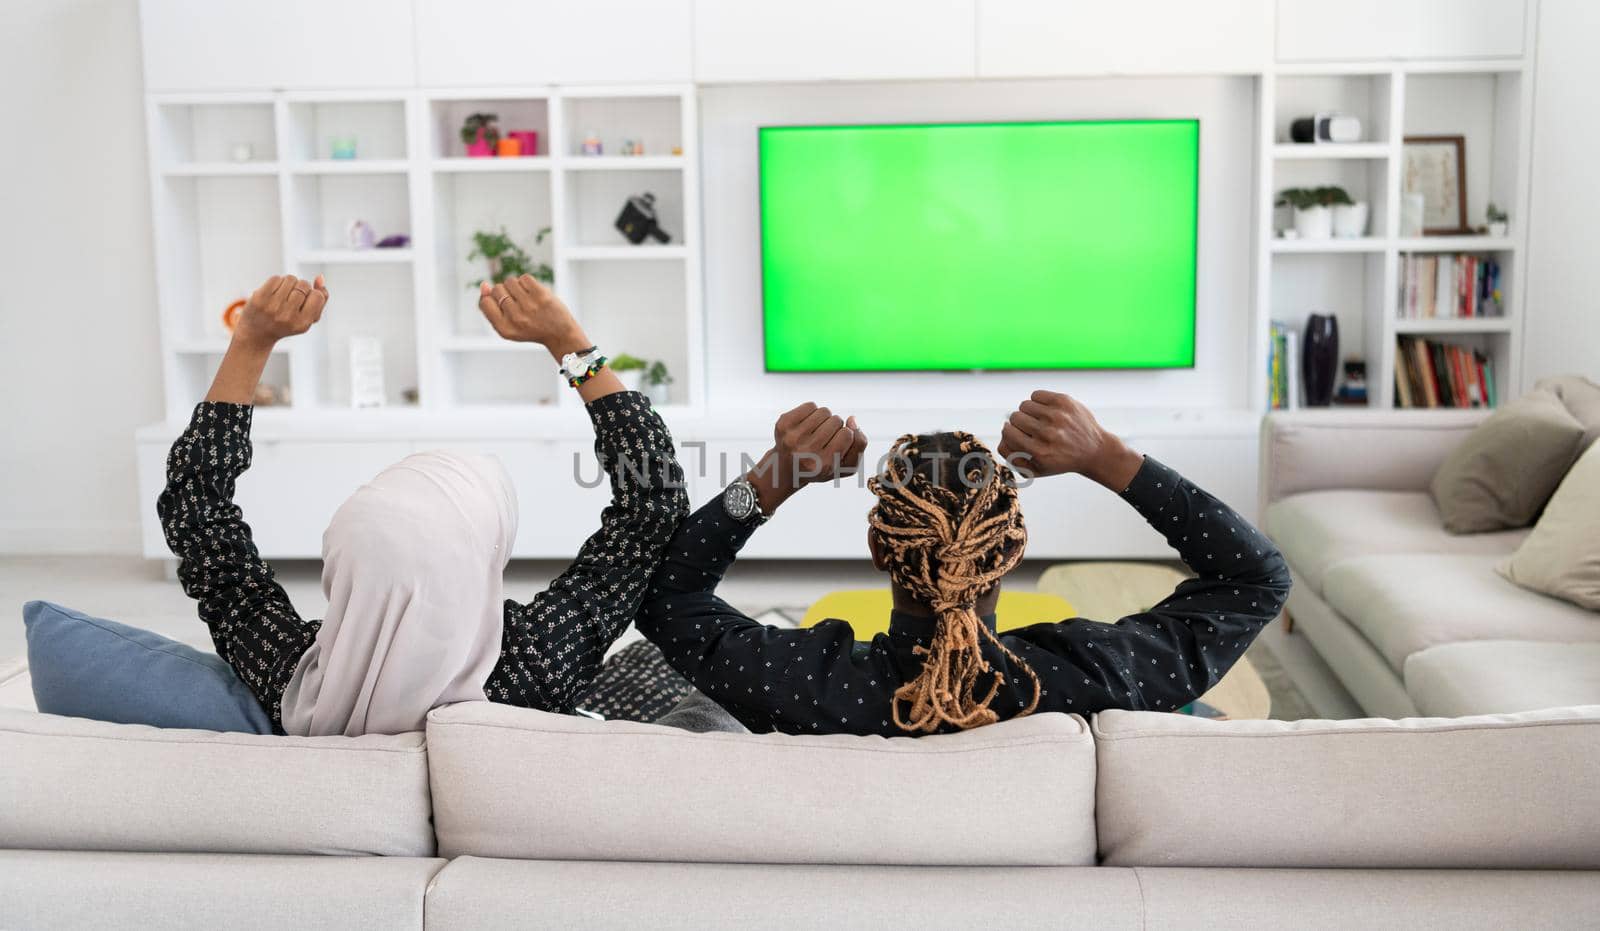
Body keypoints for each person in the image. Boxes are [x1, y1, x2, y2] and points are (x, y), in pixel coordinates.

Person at [157, 272, 687, 736]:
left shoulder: (298, 687)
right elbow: (653, 506)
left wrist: (250, 341)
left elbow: (198, 516)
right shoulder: (531, 668)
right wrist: (569, 344)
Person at [637, 393, 1292, 736]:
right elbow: (1257, 577)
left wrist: (774, 475)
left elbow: (666, 597)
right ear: (1011, 551)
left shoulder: (802, 684)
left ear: (878, 551)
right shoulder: (1099, 677)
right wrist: (1109, 457)